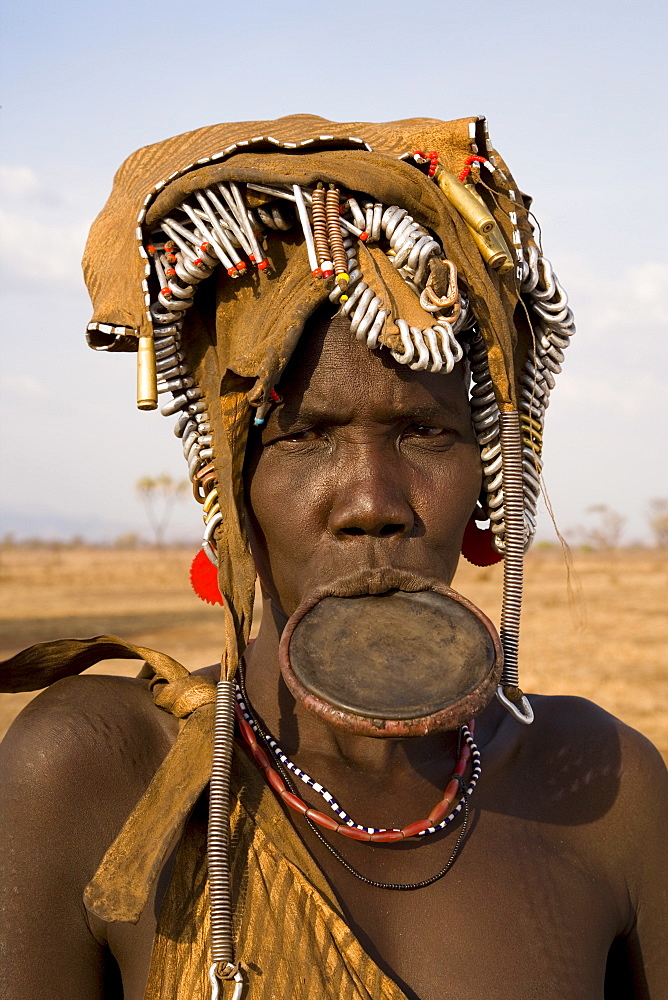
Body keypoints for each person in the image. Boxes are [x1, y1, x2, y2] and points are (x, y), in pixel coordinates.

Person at [1, 114, 666, 1000]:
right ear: (227, 488)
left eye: (426, 432)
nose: (372, 505)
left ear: (490, 476)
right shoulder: (91, 772)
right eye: (307, 436)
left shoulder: (606, 791)